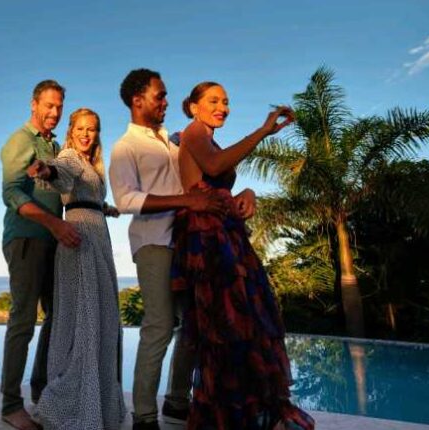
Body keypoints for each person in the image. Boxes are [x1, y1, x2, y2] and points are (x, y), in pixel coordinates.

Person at [171, 81, 315, 430]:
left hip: (225, 231)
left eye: (225, 101)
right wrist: (263, 131)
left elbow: (220, 182)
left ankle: (253, 415)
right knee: (224, 325)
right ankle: (226, 418)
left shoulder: (209, 140)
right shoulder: (192, 132)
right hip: (207, 236)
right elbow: (214, 167)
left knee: (246, 322)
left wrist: (248, 191)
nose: (222, 107)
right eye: (213, 101)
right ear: (194, 107)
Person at [109, 69, 227, 430]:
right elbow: (126, 199)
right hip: (153, 243)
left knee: (193, 325)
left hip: (186, 242)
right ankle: (144, 416)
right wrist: (186, 201)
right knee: (160, 325)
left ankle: (177, 402)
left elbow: (205, 176)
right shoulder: (124, 147)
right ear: (137, 101)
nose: (165, 102)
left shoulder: (174, 141)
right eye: (159, 96)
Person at [27, 108, 126, 430]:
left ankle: (97, 401)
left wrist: (106, 208)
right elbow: (60, 173)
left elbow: (87, 195)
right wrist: (45, 170)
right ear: (72, 131)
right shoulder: (70, 156)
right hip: (79, 240)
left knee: (100, 319)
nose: (86, 134)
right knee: (83, 320)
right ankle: (68, 402)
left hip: (98, 238)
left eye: (92, 129)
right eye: (81, 128)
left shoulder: (92, 165)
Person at [0, 79, 81, 430]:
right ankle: (10, 405)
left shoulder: (54, 146)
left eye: (59, 106)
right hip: (26, 239)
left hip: (52, 241)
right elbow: (12, 193)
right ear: (34, 104)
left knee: (57, 315)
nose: (55, 112)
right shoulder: (21, 140)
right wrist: (53, 223)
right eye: (49, 105)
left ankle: (41, 390)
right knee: (22, 321)